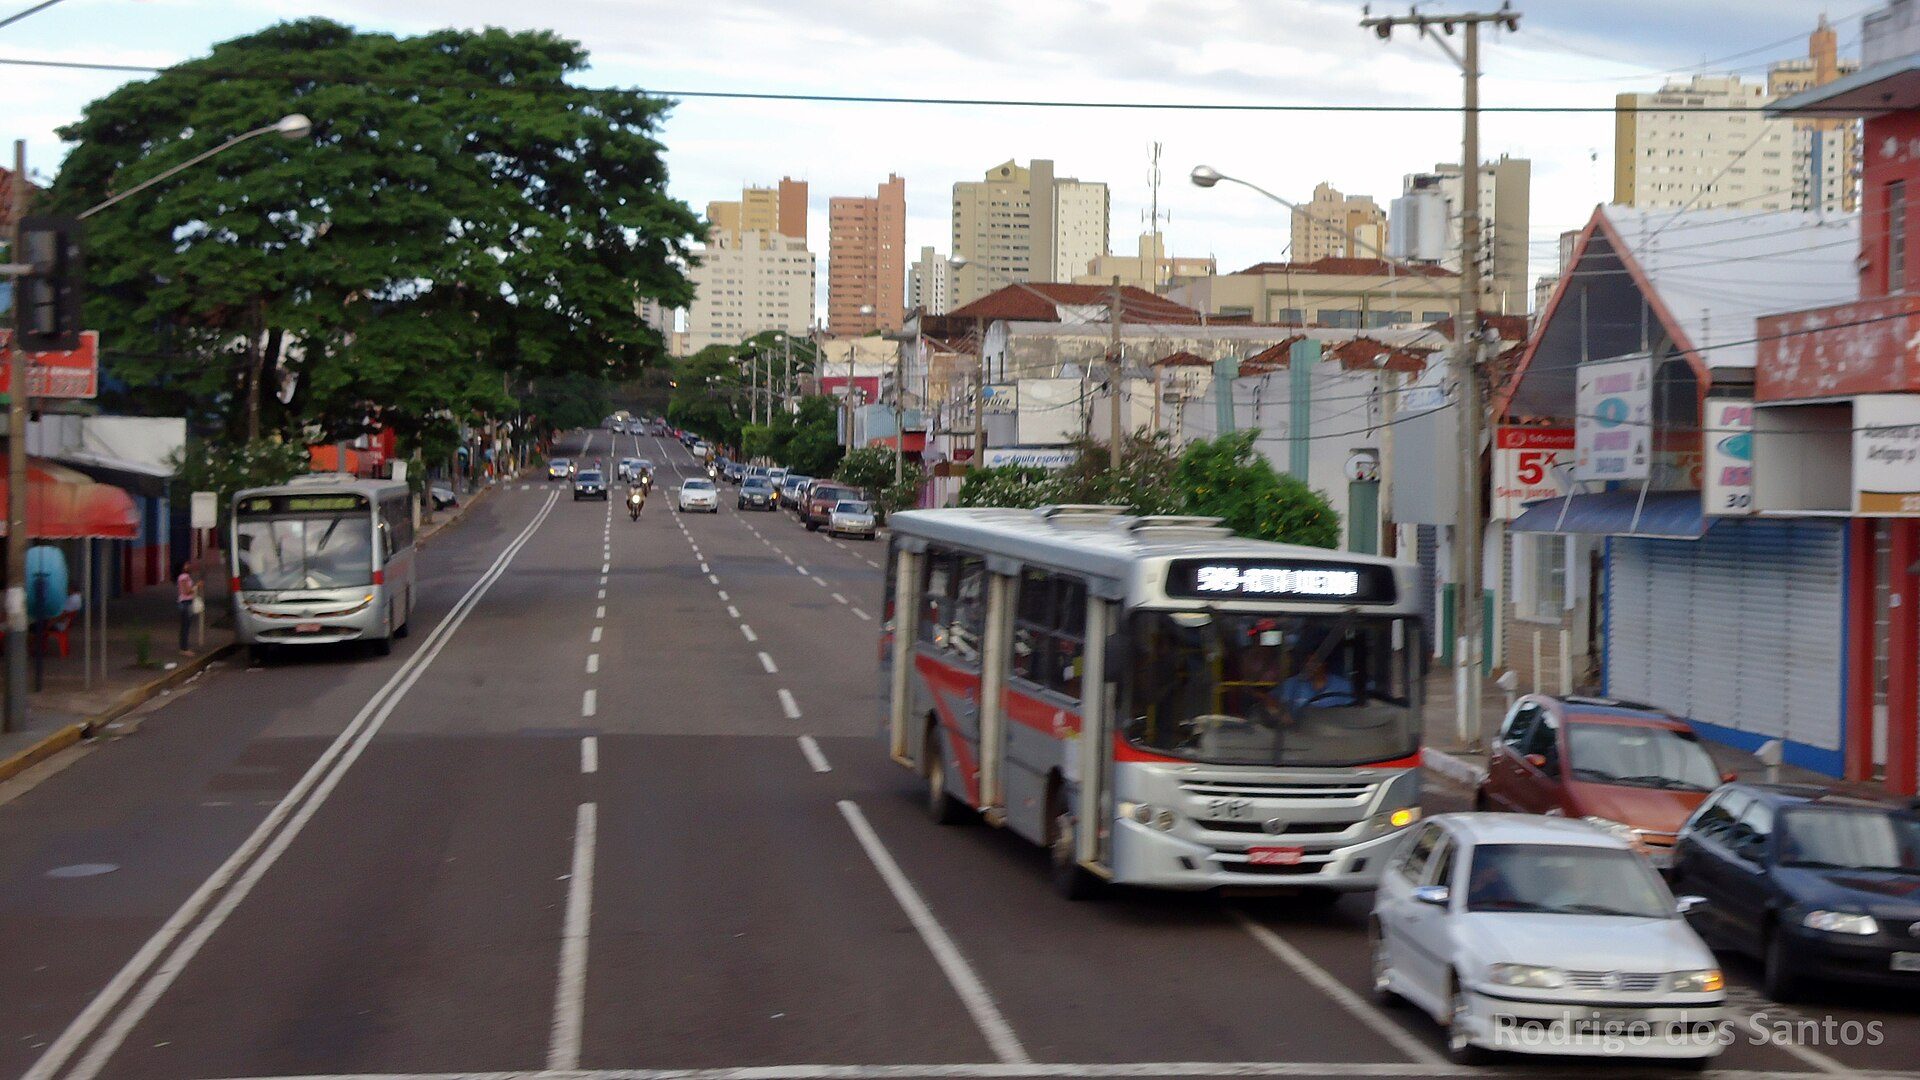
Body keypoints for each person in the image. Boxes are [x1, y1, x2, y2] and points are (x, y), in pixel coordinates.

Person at [1279, 654, 1358, 710]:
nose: (1310, 666)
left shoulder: (1345, 686)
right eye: (1307, 662)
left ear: (1324, 664)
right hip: (1299, 731)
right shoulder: (1291, 684)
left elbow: (1355, 714)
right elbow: (1273, 702)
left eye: (1314, 662)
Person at [175, 562, 199, 656]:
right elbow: (187, 591)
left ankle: (184, 647)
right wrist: (197, 586)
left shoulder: (184, 577)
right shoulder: (184, 577)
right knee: (185, 626)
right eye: (186, 565)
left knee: (185, 626)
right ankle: (184, 648)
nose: (188, 566)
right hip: (185, 603)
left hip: (186, 603)